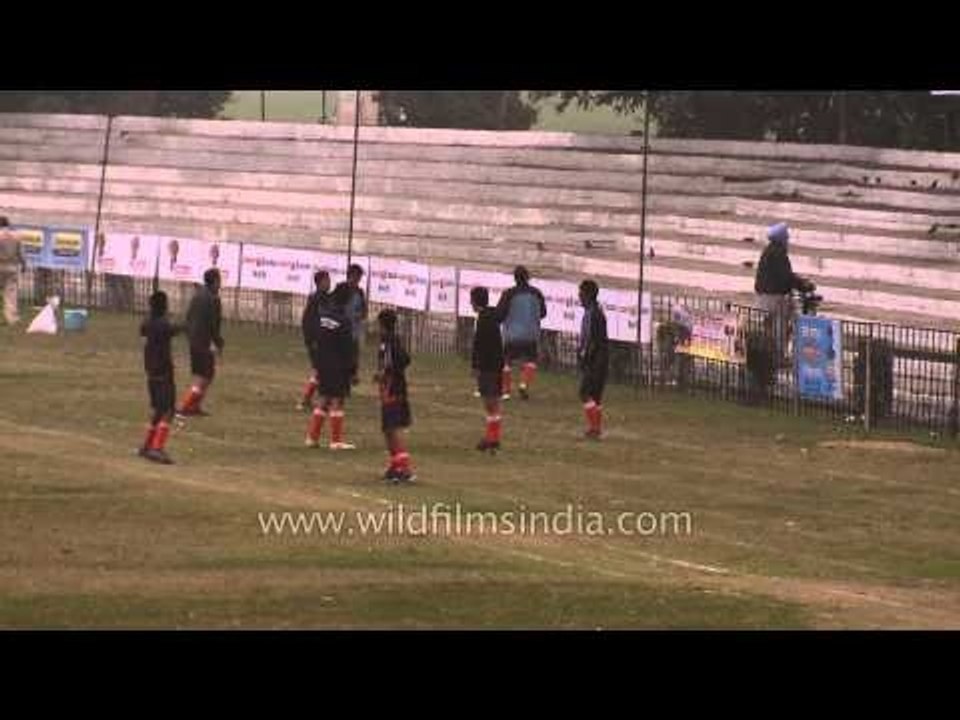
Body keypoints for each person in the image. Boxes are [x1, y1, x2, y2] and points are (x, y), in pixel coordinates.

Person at [305, 282, 356, 450]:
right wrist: (352, 370)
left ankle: (312, 438)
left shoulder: (324, 317)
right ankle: (336, 441)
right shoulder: (344, 321)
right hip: (338, 365)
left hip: (322, 363)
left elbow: (318, 338)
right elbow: (348, 348)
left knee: (324, 398)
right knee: (337, 400)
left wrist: (318, 361)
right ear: (347, 300)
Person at [754, 222, 809, 365]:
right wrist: (802, 285)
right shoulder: (778, 253)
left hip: (763, 296)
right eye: (786, 236)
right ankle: (778, 358)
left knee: (767, 329)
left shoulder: (768, 250)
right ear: (782, 238)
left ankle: (767, 357)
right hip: (775, 297)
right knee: (780, 328)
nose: (788, 239)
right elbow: (785, 276)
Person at [139, 291, 183, 464]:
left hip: (150, 371)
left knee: (158, 409)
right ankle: (156, 448)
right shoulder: (163, 325)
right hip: (164, 371)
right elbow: (177, 329)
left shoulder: (146, 322)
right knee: (168, 410)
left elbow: (144, 333)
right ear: (164, 306)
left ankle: (146, 445)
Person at [373, 308, 415, 483]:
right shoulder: (391, 340)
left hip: (393, 389)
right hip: (389, 389)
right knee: (387, 429)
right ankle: (396, 464)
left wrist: (385, 373)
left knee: (393, 428)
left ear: (382, 324)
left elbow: (400, 360)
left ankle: (405, 468)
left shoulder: (388, 341)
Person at [177, 268, 225, 419]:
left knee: (204, 374)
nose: (220, 283)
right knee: (205, 375)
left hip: (193, 339)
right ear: (215, 281)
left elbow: (189, 317)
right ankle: (185, 407)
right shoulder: (214, 299)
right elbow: (214, 324)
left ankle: (194, 406)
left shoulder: (197, 295)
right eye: (219, 280)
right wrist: (217, 342)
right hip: (204, 341)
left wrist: (189, 334)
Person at [495, 265, 547, 400]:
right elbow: (543, 313)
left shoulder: (508, 294)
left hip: (512, 334)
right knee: (531, 360)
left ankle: (506, 391)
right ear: (528, 277)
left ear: (515, 278)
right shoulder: (537, 293)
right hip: (531, 334)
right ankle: (523, 384)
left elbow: (500, 314)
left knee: (506, 362)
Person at [471, 286, 505, 453]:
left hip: (487, 367)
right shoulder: (491, 315)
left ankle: (492, 439)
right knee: (494, 403)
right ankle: (493, 438)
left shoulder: (483, 319)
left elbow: (480, 345)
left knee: (489, 403)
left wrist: (476, 365)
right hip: (497, 364)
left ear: (474, 301)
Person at [577, 279, 609, 440]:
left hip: (596, 359)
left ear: (588, 295)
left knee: (584, 392)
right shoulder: (594, 311)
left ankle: (595, 429)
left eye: (581, 293)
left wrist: (585, 357)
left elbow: (592, 340)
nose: (579, 297)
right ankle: (595, 428)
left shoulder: (593, 314)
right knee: (595, 396)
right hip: (600, 358)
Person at [297, 270, 331, 411]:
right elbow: (307, 321)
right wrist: (311, 340)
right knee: (321, 370)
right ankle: (309, 400)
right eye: (326, 280)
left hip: (324, 341)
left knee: (321, 370)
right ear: (320, 282)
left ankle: (309, 399)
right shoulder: (316, 299)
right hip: (317, 341)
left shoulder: (327, 298)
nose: (329, 283)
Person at [343, 264, 368, 386]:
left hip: (354, 330)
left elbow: (364, 311)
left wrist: (360, 315)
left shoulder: (360, 292)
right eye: (357, 277)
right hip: (341, 330)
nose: (358, 280)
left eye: (360, 278)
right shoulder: (341, 290)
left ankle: (352, 375)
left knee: (354, 354)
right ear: (351, 276)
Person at [0, 217, 26, 326]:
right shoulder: (17, 236)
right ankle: (11, 318)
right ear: (8, 224)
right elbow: (21, 254)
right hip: (12, 267)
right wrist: (24, 264)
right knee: (10, 294)